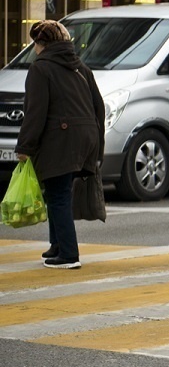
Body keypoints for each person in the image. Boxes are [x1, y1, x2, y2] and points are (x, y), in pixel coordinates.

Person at [15, 20, 105, 270]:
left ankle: (68, 253)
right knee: (55, 191)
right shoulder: (81, 68)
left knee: (58, 194)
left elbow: (35, 112)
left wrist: (25, 147)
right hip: (85, 137)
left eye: (35, 43)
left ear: (42, 44)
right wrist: (99, 146)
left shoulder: (40, 69)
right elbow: (99, 107)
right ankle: (56, 245)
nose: (34, 48)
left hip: (60, 139)